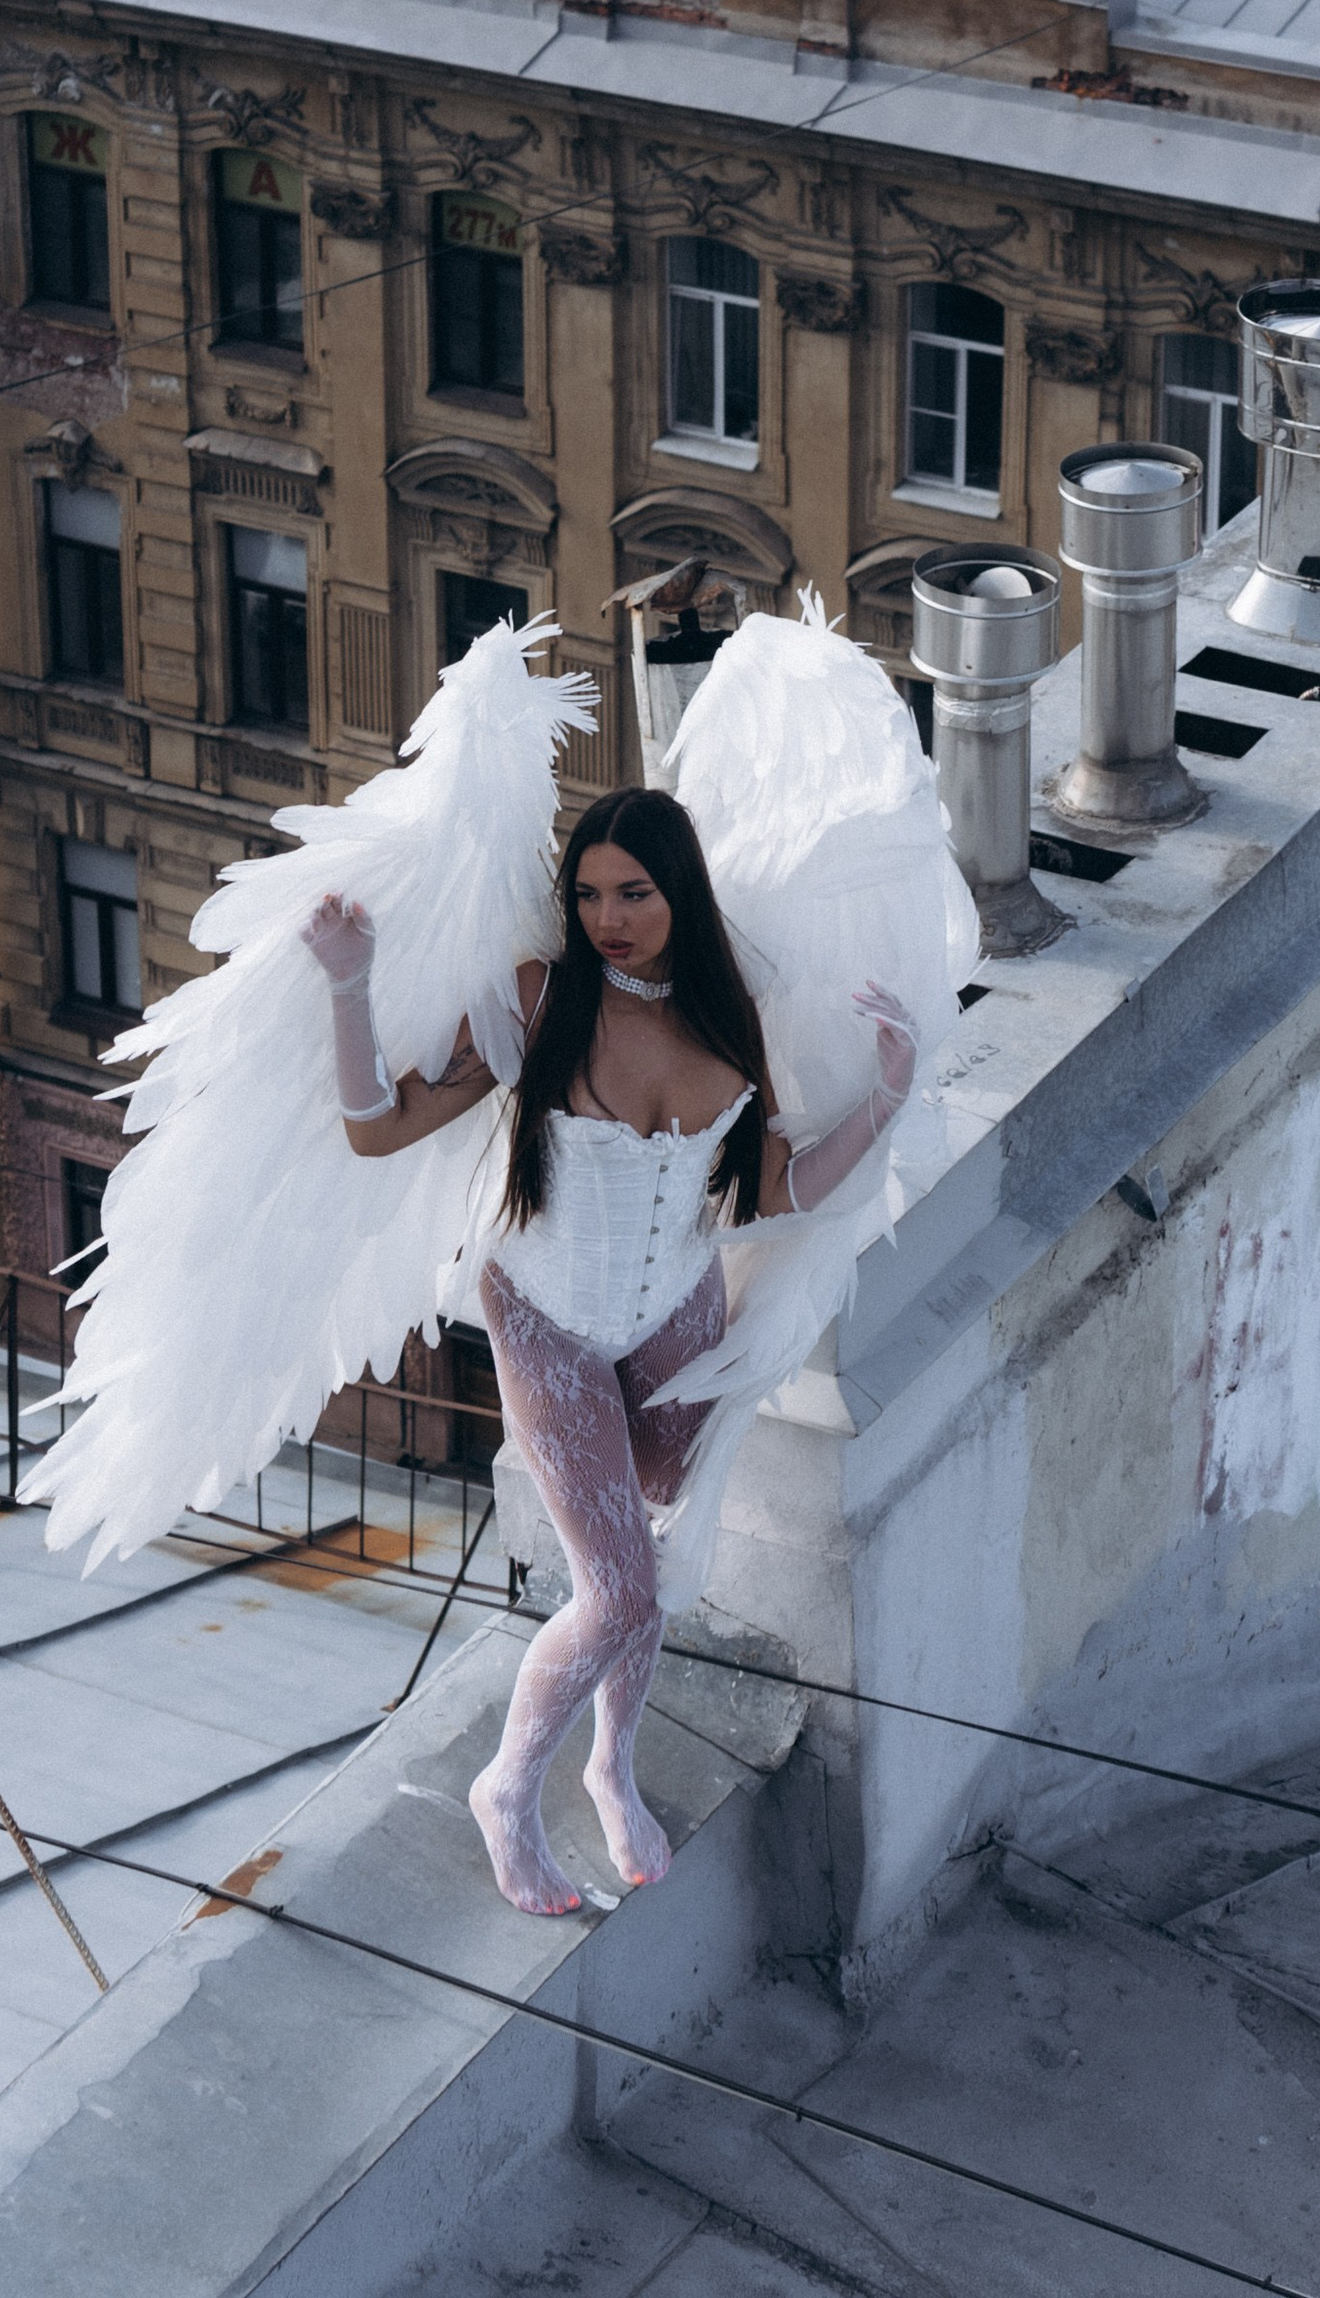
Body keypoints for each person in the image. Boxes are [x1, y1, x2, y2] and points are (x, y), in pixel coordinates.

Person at [303, 783, 913, 1919]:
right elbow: (374, 1125)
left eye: (632, 892)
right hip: (547, 1313)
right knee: (621, 1586)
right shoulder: (540, 1004)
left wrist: (885, 1096)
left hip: (675, 1304)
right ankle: (510, 1788)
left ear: (677, 891)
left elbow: (772, 1191)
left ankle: (611, 1762)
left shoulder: (733, 1022)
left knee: (662, 1540)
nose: (606, 917)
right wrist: (349, 980)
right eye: (587, 894)